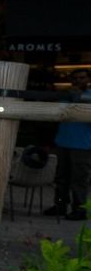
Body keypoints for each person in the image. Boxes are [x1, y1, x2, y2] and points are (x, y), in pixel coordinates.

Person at [44, 68, 91, 221]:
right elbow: (57, 113)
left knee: (79, 179)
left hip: (83, 145)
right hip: (63, 141)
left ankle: (80, 209)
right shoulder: (65, 95)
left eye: (82, 77)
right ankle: (60, 205)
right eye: (76, 78)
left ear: (88, 79)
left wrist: (77, 98)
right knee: (61, 178)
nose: (79, 80)